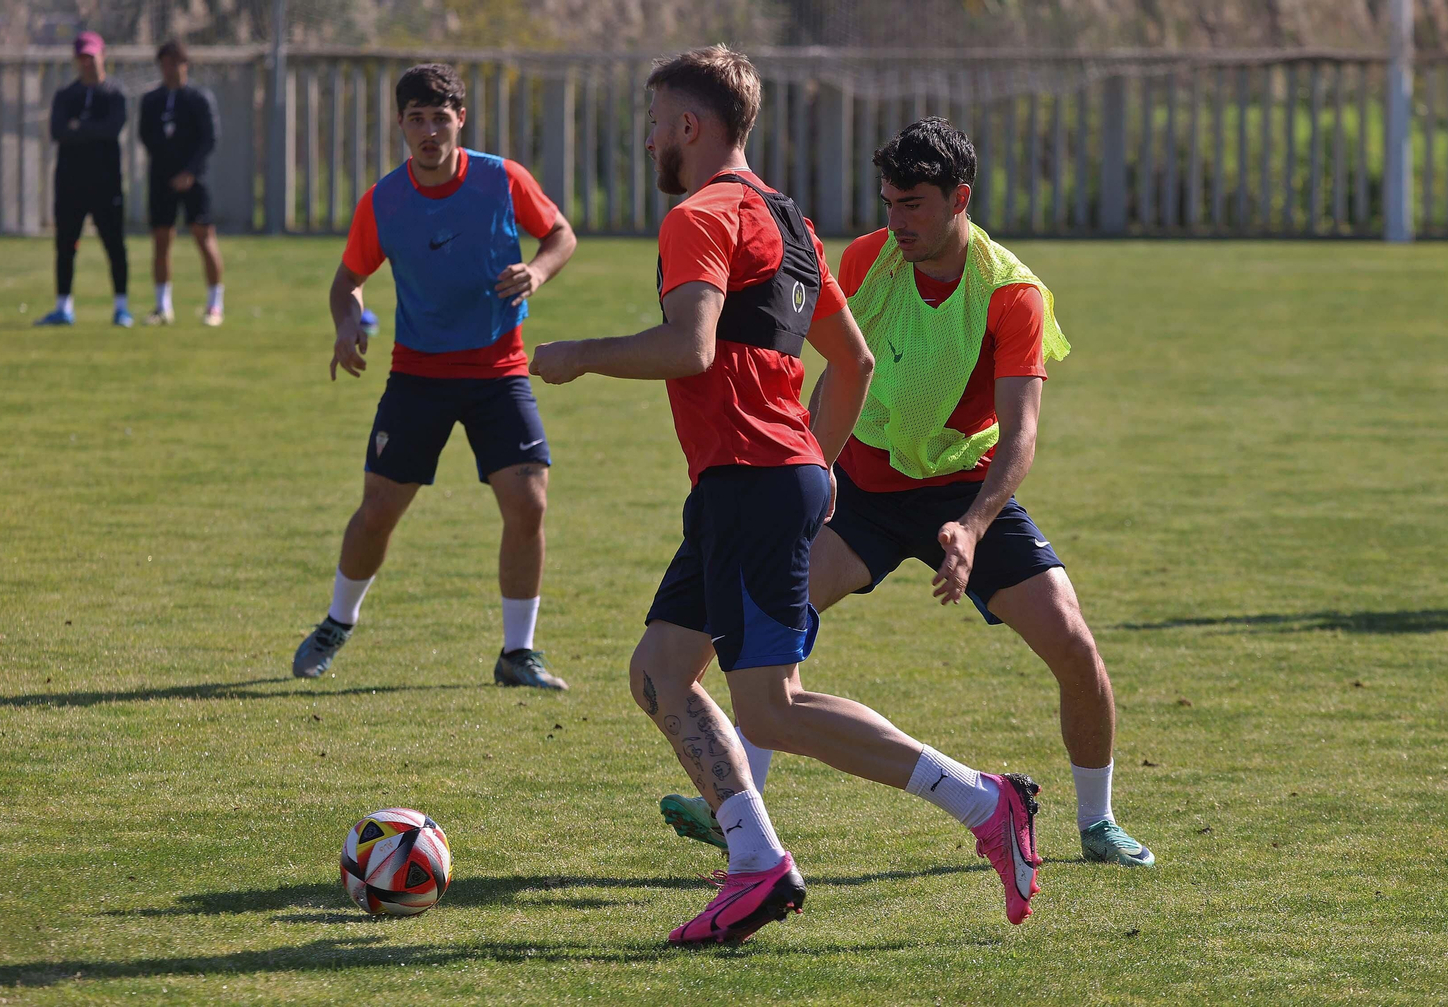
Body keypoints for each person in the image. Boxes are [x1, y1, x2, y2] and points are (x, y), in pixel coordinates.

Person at [531, 46, 1044, 945]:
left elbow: (690, 346)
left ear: (689, 125)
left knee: (771, 704)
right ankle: (756, 857)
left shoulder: (699, 215)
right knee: (660, 673)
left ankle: (984, 801)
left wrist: (579, 355)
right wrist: (819, 468)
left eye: (654, 122)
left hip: (753, 480)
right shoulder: (787, 219)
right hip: (764, 478)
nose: (649, 140)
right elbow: (855, 362)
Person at [657, 118, 1156, 869]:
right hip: (863, 488)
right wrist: (817, 463)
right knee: (762, 634)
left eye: (914, 204)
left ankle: (1098, 820)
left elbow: (1020, 435)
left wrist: (974, 526)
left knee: (1074, 644)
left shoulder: (1012, 293)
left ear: (961, 198)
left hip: (964, 490)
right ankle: (736, 801)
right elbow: (838, 367)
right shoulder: (868, 259)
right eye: (889, 202)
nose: (897, 221)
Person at [292, 64, 578, 690]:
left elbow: (560, 234)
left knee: (528, 503)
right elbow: (348, 281)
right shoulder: (384, 200)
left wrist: (537, 272)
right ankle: (338, 622)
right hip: (418, 374)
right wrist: (346, 323)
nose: (428, 132)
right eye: (416, 119)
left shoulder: (502, 179)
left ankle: (518, 653)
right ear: (400, 123)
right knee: (377, 511)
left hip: (499, 369)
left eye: (439, 119)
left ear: (460, 120)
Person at [36, 31, 131, 328]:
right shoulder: (67, 96)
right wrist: (88, 130)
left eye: (91, 56)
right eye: (82, 58)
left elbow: (111, 129)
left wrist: (79, 128)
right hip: (70, 182)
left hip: (106, 182)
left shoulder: (114, 94)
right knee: (65, 245)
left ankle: (121, 308)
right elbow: (58, 131)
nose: (87, 63)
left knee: (114, 245)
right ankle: (63, 307)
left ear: (103, 56)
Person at [139, 40, 225, 327]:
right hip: (161, 178)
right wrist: (167, 170)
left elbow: (209, 138)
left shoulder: (199, 98)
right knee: (161, 238)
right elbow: (146, 136)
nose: (170, 69)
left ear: (185, 64)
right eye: (165, 64)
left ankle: (215, 305)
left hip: (194, 179)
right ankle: (162, 307)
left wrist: (189, 171)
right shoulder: (151, 100)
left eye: (175, 62)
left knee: (203, 235)